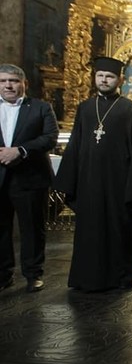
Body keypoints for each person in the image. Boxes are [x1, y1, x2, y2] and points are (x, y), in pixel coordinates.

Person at [54, 57, 132, 291]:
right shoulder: (85, 107)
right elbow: (76, 144)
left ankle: (121, 275)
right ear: (95, 78)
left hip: (118, 182)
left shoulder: (129, 109)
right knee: (89, 228)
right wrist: (70, 180)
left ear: (120, 80)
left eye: (109, 76)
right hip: (88, 180)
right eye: (100, 76)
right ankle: (85, 277)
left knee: (119, 227)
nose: (104, 80)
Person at [0, 64, 59, 293]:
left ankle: (34, 274)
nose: (8, 85)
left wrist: (20, 150)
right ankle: (3, 275)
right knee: (1, 229)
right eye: (3, 81)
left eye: (13, 81)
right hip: (1, 176)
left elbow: (50, 137)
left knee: (32, 228)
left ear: (24, 84)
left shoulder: (40, 107)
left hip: (31, 177)